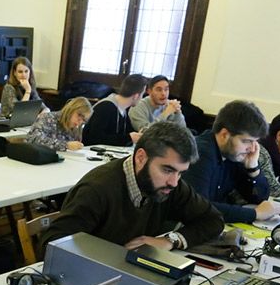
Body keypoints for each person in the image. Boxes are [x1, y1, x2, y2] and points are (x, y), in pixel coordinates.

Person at [41, 121, 225, 251]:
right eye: (167, 170)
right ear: (141, 158)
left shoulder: (170, 186)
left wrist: (170, 240)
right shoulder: (98, 189)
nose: (174, 182)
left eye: (181, 173)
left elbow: (213, 220)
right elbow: (51, 245)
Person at [184, 100, 277, 224]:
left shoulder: (234, 155)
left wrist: (253, 168)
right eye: (246, 141)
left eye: (255, 142)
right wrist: (255, 214)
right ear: (224, 135)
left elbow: (260, 199)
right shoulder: (201, 152)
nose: (252, 148)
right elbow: (197, 207)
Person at [83, 74, 146, 147]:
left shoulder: (123, 110)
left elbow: (128, 132)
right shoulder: (105, 107)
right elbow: (95, 138)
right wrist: (129, 138)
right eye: (142, 95)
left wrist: (136, 135)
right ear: (136, 96)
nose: (141, 99)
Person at [26, 97, 90, 152]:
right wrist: (65, 145)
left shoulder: (77, 128)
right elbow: (33, 139)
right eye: (79, 115)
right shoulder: (48, 118)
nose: (80, 121)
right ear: (70, 109)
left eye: (84, 120)